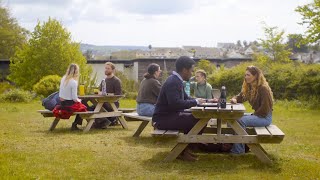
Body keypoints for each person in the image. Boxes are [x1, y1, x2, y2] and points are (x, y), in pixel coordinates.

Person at [152, 56, 206, 161]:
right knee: (197, 119)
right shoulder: (173, 82)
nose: (192, 74)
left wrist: (201, 100)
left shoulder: (177, 80)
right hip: (162, 119)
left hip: (169, 116)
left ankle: (186, 149)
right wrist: (195, 102)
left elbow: (186, 98)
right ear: (185, 70)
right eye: (191, 70)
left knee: (199, 118)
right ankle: (182, 151)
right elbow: (175, 104)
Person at [230, 65, 273, 154]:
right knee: (232, 118)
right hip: (258, 115)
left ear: (256, 76)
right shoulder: (250, 88)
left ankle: (238, 151)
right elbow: (241, 96)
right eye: (245, 75)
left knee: (239, 121)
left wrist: (253, 115)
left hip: (264, 117)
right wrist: (235, 99)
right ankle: (235, 146)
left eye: (248, 75)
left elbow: (265, 108)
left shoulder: (263, 88)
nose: (246, 77)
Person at [56, 63, 87, 130]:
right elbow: (74, 98)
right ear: (76, 71)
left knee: (82, 105)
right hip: (69, 105)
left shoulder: (63, 78)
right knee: (83, 107)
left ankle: (76, 124)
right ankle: (75, 124)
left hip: (62, 103)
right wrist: (79, 100)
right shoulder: (73, 82)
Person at [94, 62, 122, 128]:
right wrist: (98, 93)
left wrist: (106, 94)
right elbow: (100, 91)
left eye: (108, 68)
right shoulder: (104, 80)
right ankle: (104, 122)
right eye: (105, 68)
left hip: (113, 104)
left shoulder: (116, 81)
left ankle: (103, 122)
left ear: (113, 70)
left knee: (96, 107)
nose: (106, 70)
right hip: (103, 102)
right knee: (90, 107)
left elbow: (118, 94)